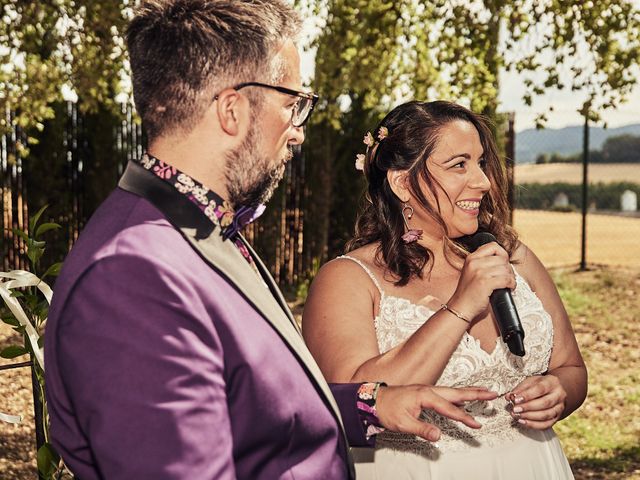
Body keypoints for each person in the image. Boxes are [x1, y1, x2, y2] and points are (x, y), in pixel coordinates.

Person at [43, 4, 499, 479]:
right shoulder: (133, 278)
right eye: (292, 103)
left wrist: (370, 402)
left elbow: (250, 401)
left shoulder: (197, 229)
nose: (299, 131)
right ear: (232, 109)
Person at [302, 100, 588, 479]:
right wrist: (460, 307)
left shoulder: (511, 255)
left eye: (481, 163)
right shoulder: (347, 279)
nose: (483, 181)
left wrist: (558, 393)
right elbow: (356, 404)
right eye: (459, 165)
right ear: (402, 182)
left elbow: (571, 368)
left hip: (534, 464)